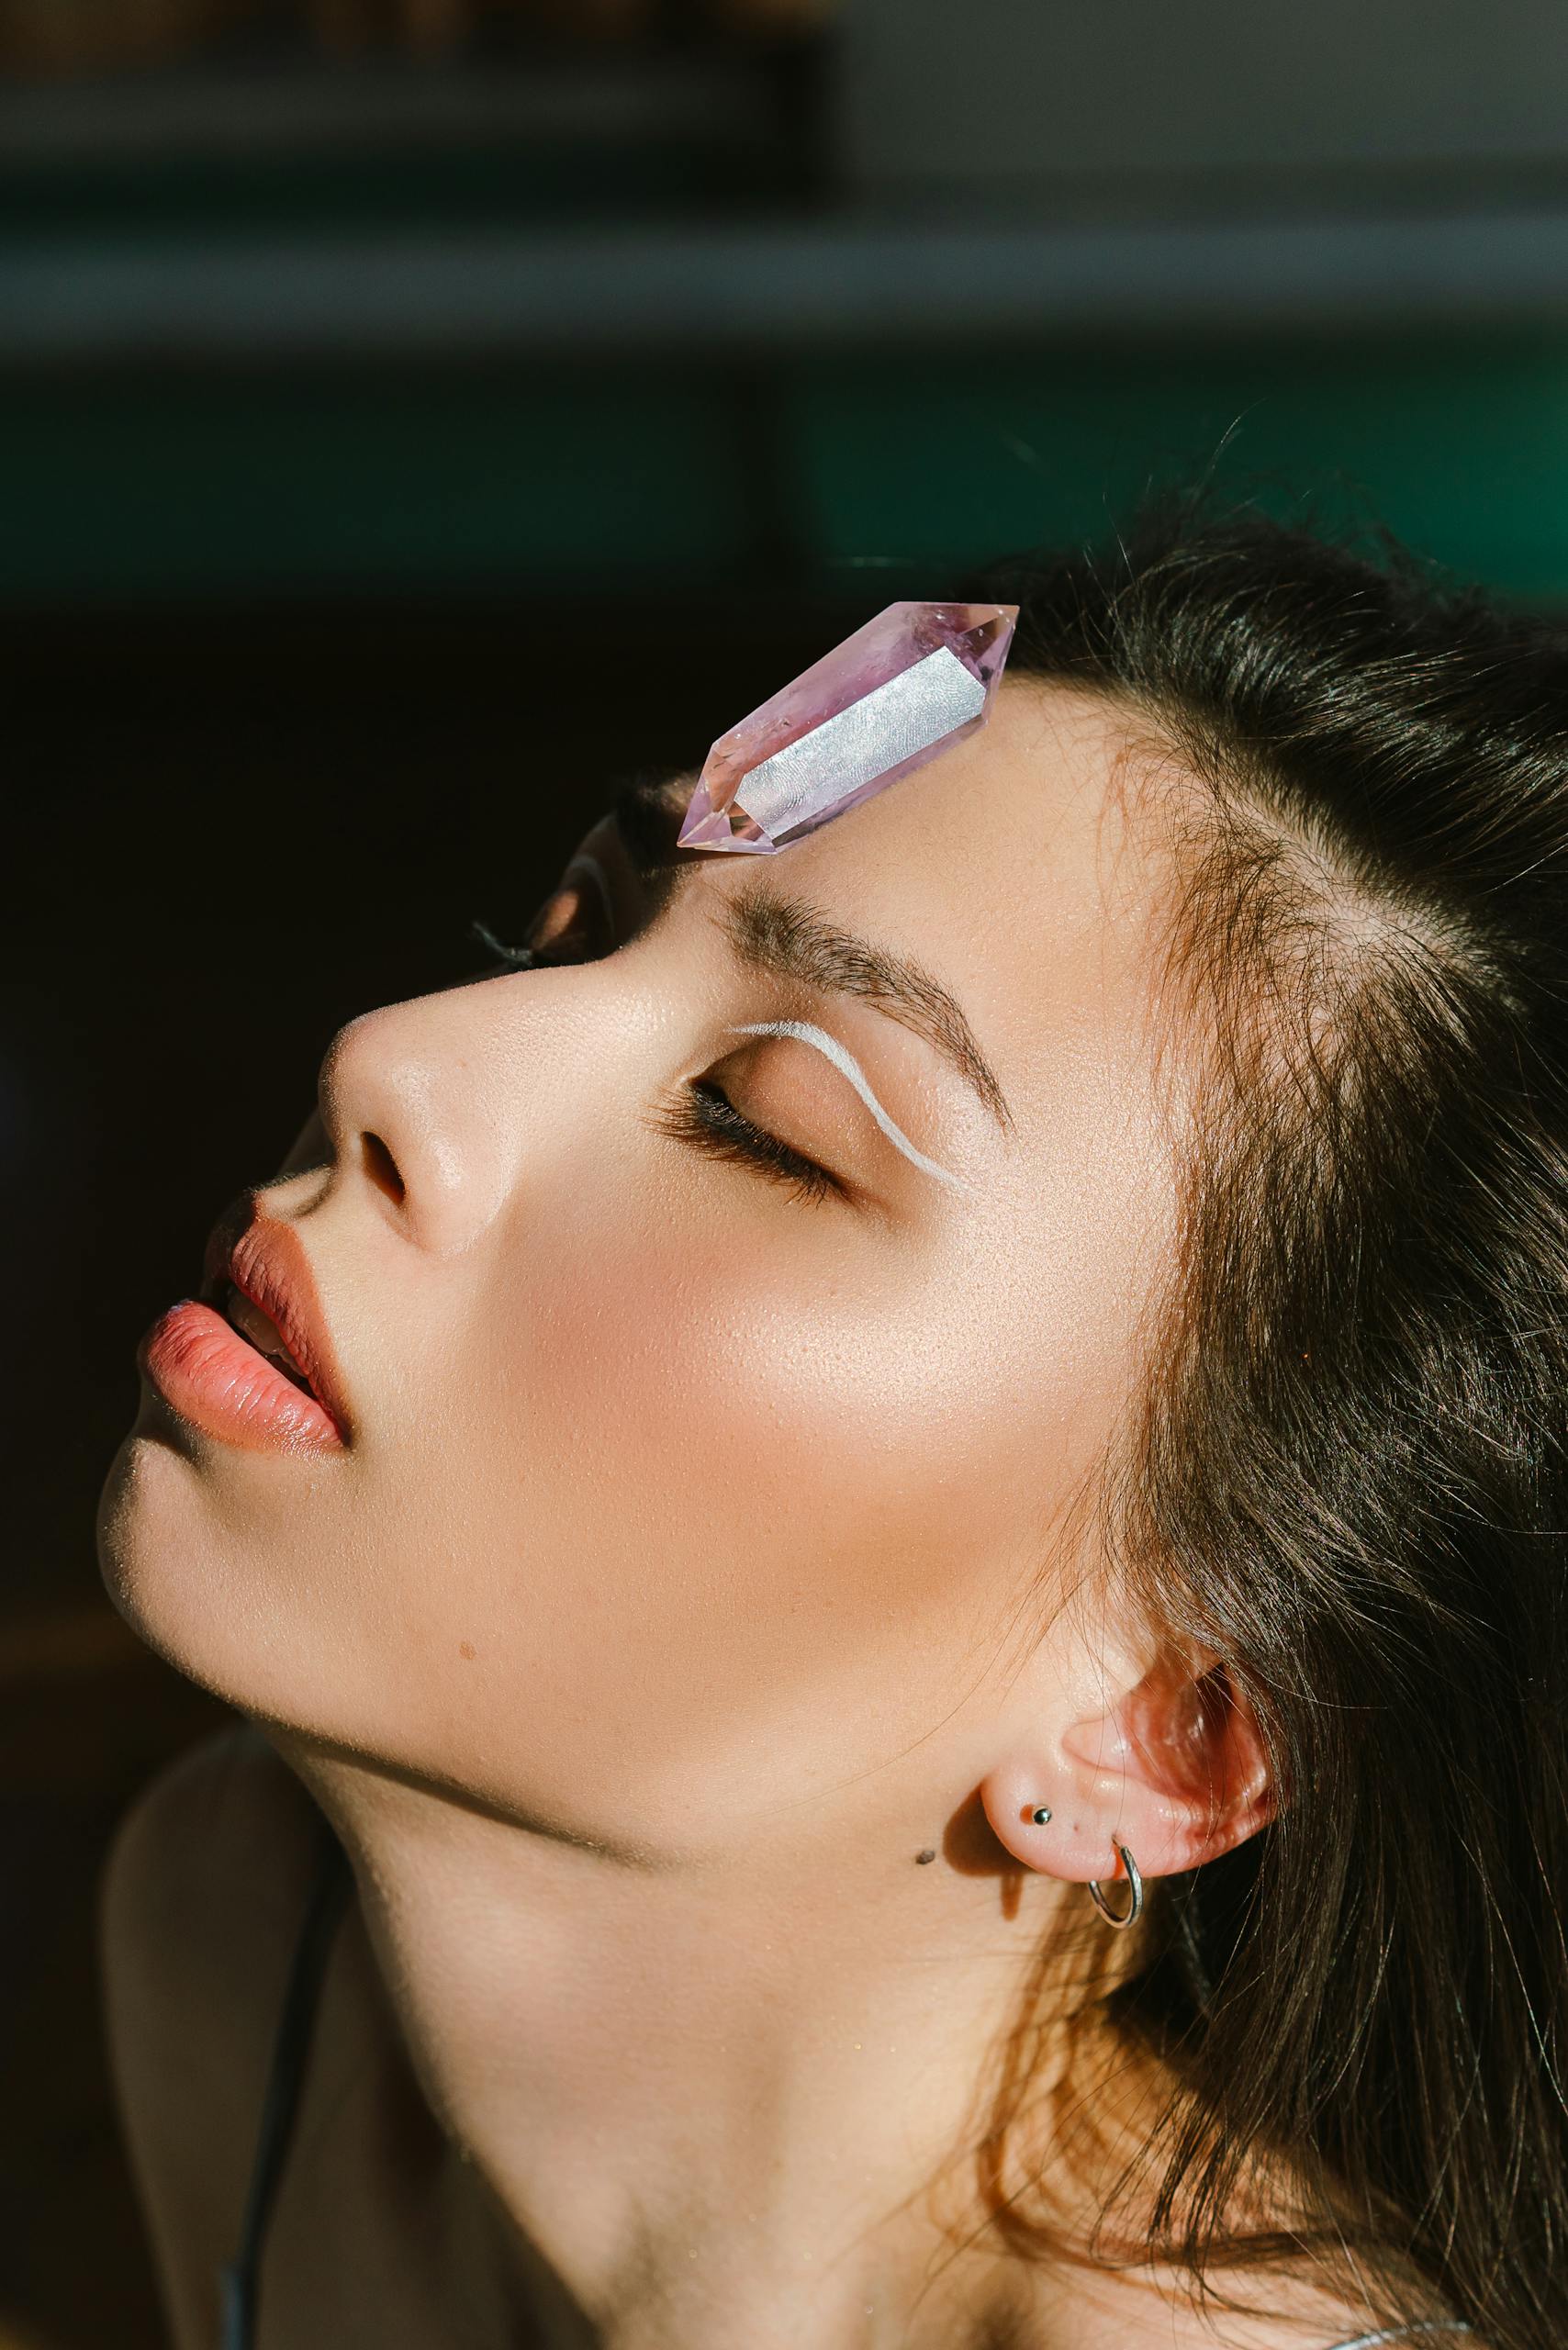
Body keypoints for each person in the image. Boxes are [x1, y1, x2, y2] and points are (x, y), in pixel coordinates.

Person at [96, 498, 1568, 2350]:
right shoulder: (237, 1958)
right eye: (581, 915)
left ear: (1162, 1728)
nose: (399, 1048)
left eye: (761, 1121)